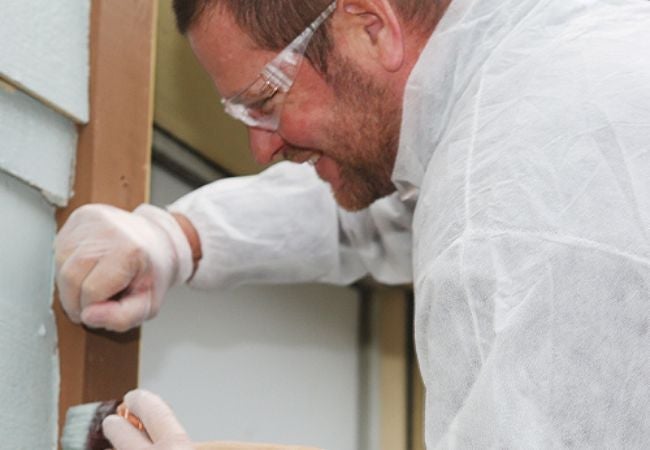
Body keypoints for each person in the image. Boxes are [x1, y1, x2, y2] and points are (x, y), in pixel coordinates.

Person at [55, 0, 650, 448]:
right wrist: (180, 237)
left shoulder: (507, 213)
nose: (259, 148)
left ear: (370, 25)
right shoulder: (548, 57)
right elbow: (391, 210)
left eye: (264, 100)